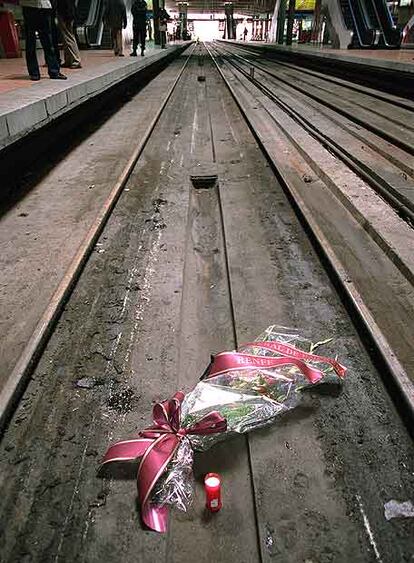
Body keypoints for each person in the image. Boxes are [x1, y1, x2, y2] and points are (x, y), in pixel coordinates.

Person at [21, 0, 67, 80]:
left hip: (43, 6)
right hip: (29, 6)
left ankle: (54, 71)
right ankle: (34, 72)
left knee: (48, 41)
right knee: (31, 41)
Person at [57, 0, 82, 68]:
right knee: (66, 37)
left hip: (65, 13)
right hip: (68, 12)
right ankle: (68, 60)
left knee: (68, 37)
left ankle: (76, 60)